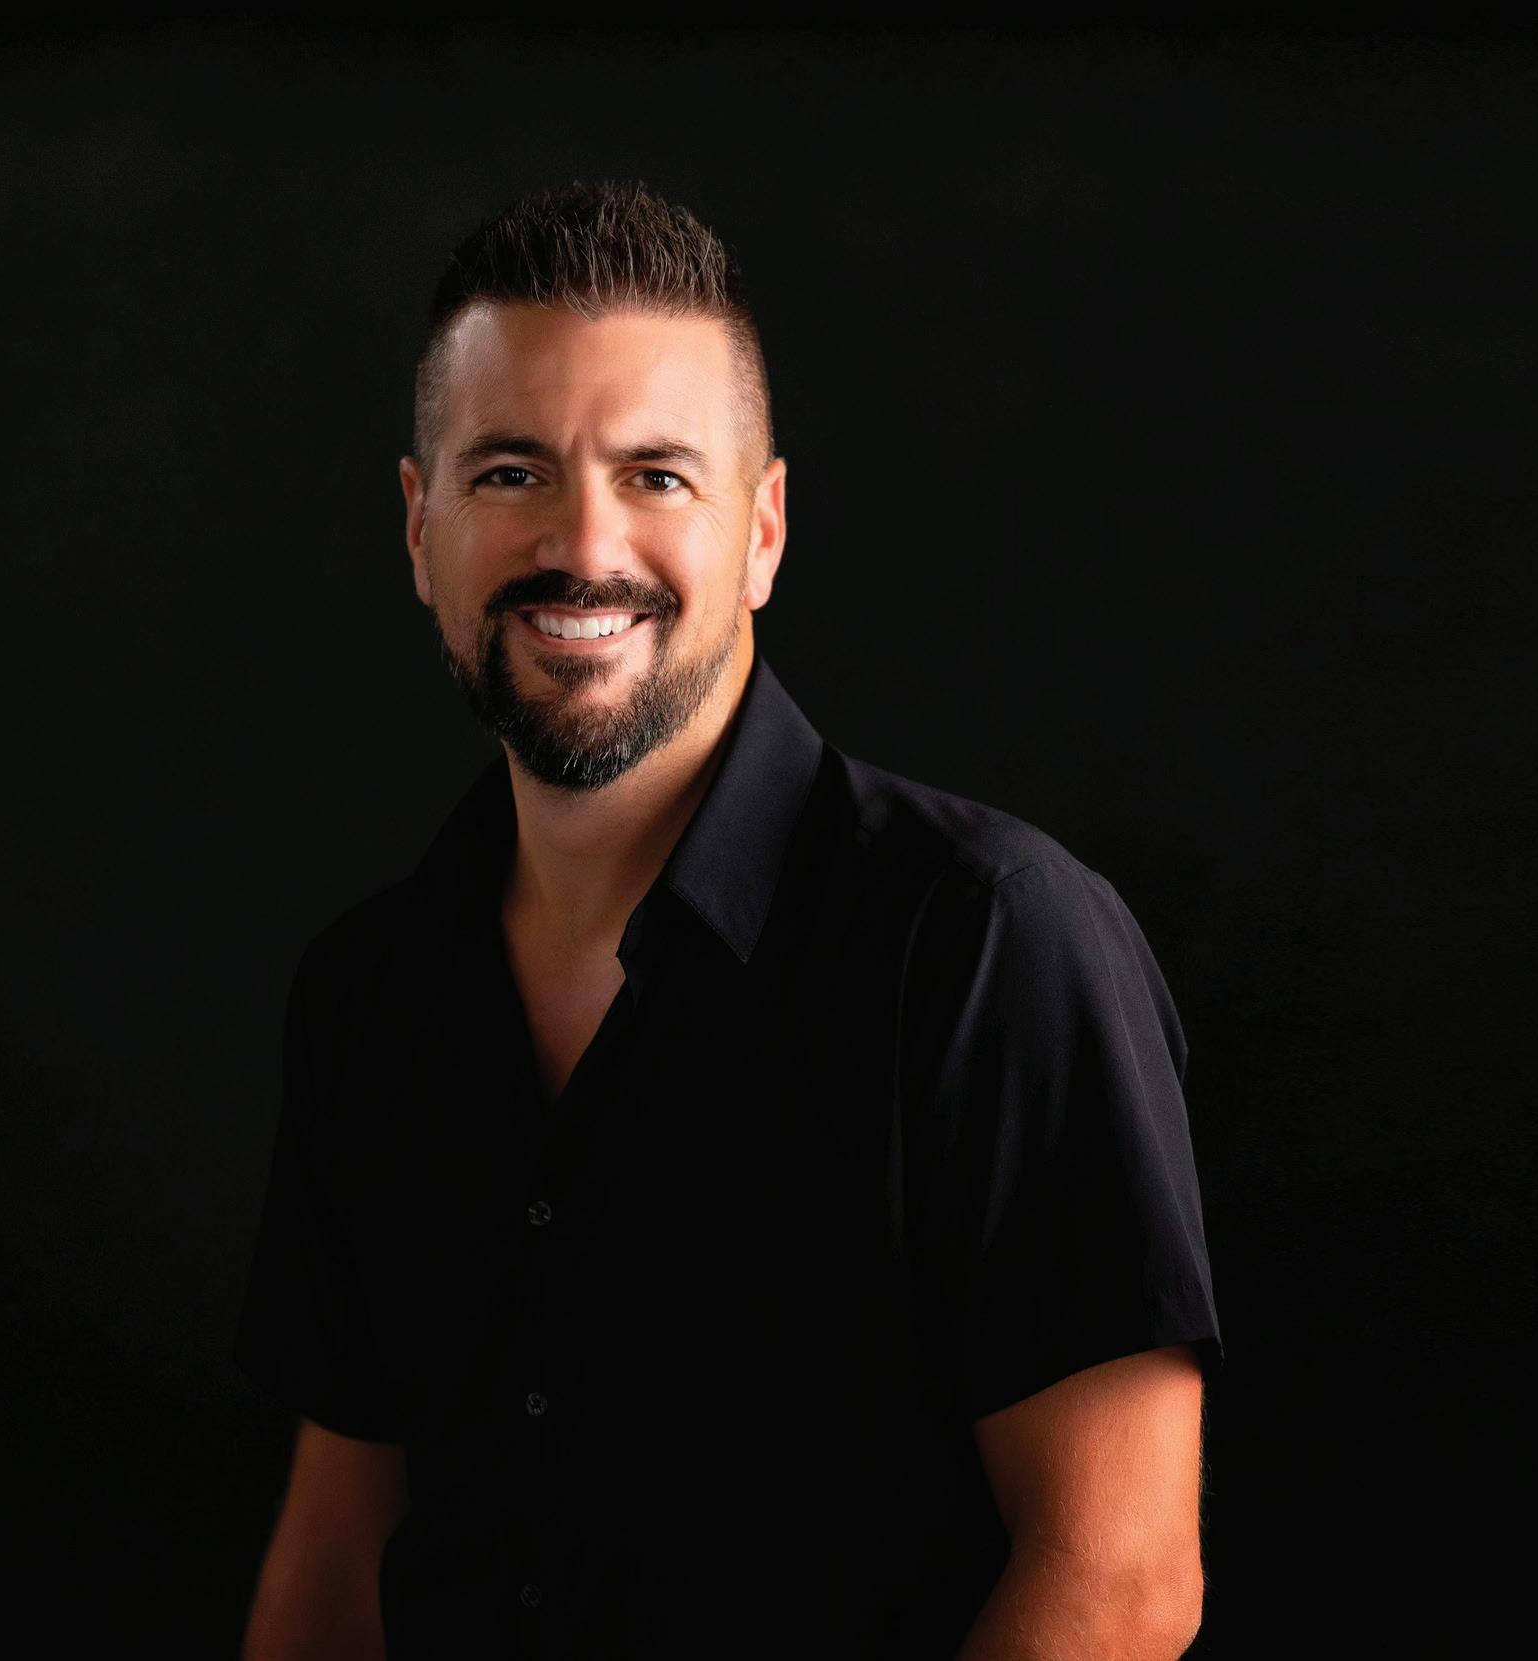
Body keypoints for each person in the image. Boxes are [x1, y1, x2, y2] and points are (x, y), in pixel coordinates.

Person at [231, 178, 1224, 1661]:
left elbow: (1121, 1575)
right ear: (420, 527)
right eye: (511, 471)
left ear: (762, 530)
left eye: (656, 475)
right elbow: (337, 1553)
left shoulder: (987, 943)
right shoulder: (367, 992)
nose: (584, 542)